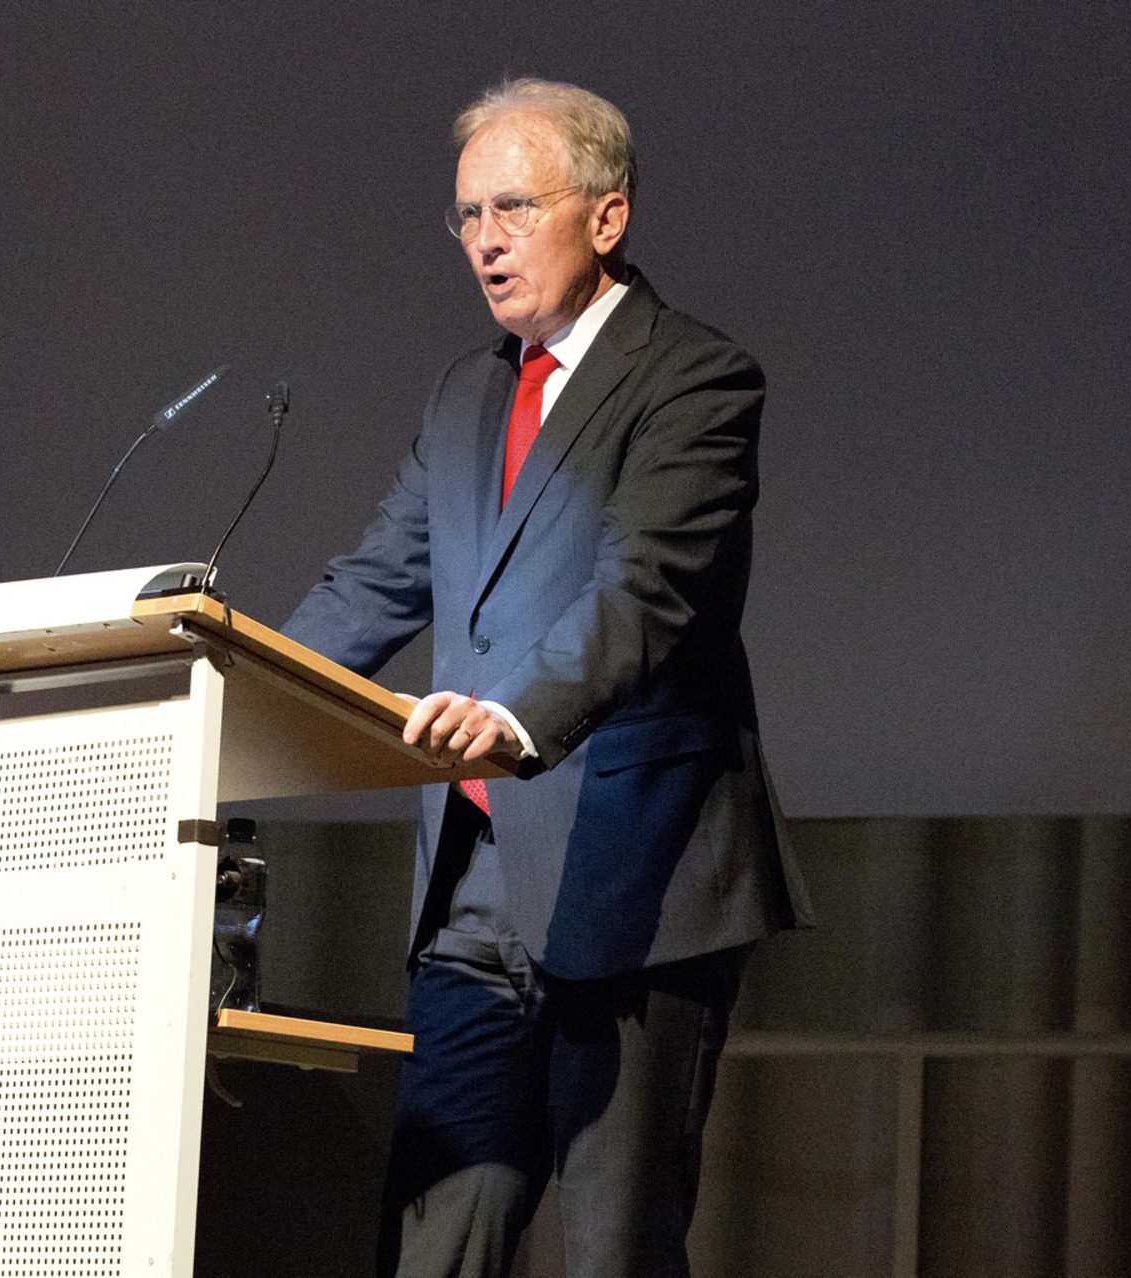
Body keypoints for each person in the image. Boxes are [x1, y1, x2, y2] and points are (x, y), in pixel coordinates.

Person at [279, 79, 811, 1278]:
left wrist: (517, 719)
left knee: (615, 1252)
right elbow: (375, 583)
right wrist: (228, 697)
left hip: (633, 882)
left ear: (606, 216)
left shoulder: (695, 378)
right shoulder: (465, 394)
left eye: (513, 207)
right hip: (470, 895)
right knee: (434, 1249)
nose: (485, 240)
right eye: (467, 215)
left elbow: (645, 594)